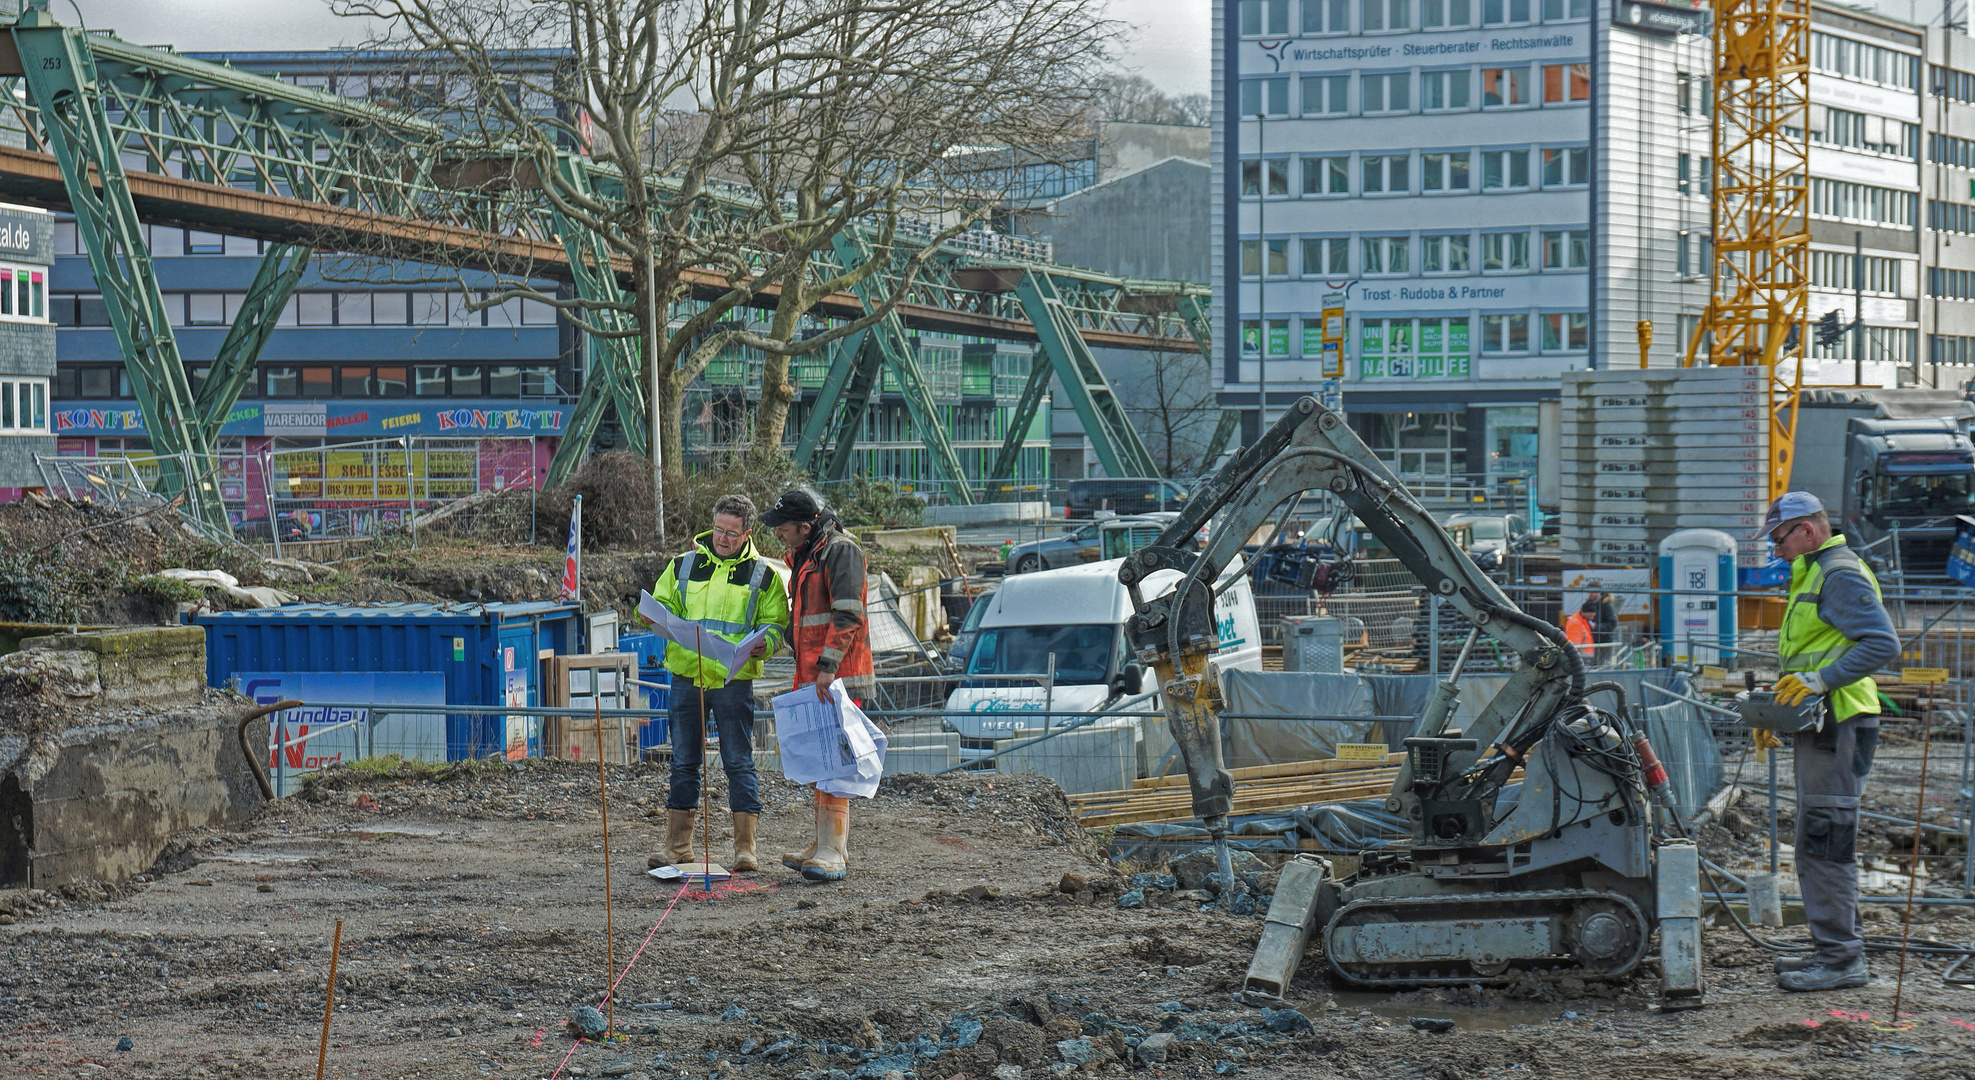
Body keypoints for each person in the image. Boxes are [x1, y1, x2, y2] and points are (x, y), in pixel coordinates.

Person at [1753, 491, 1898, 992]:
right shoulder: (1816, 572)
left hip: (1839, 725)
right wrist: (1778, 708)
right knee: (1819, 839)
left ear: (1807, 531)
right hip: (1822, 725)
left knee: (1825, 841)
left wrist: (1819, 683)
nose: (1777, 551)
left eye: (1779, 539)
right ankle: (1834, 950)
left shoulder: (1837, 574)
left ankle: (1840, 960)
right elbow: (1810, 655)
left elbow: (1882, 643)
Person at [649, 494, 790, 873]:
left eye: (731, 533)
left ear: (747, 534)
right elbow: (660, 605)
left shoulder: (764, 576)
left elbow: (777, 623)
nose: (722, 538)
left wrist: (768, 643)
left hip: (733, 681)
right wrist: (654, 620)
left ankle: (746, 849)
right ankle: (678, 846)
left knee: (739, 763)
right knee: (683, 763)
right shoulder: (683, 565)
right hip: (686, 677)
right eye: (718, 530)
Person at [762, 486, 873, 882]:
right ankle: (826, 843)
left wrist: (828, 667)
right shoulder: (810, 554)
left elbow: (847, 615)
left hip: (836, 676)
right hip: (816, 674)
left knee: (837, 759)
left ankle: (833, 849)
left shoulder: (840, 552)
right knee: (820, 758)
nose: (778, 534)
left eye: (783, 528)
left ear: (805, 527)